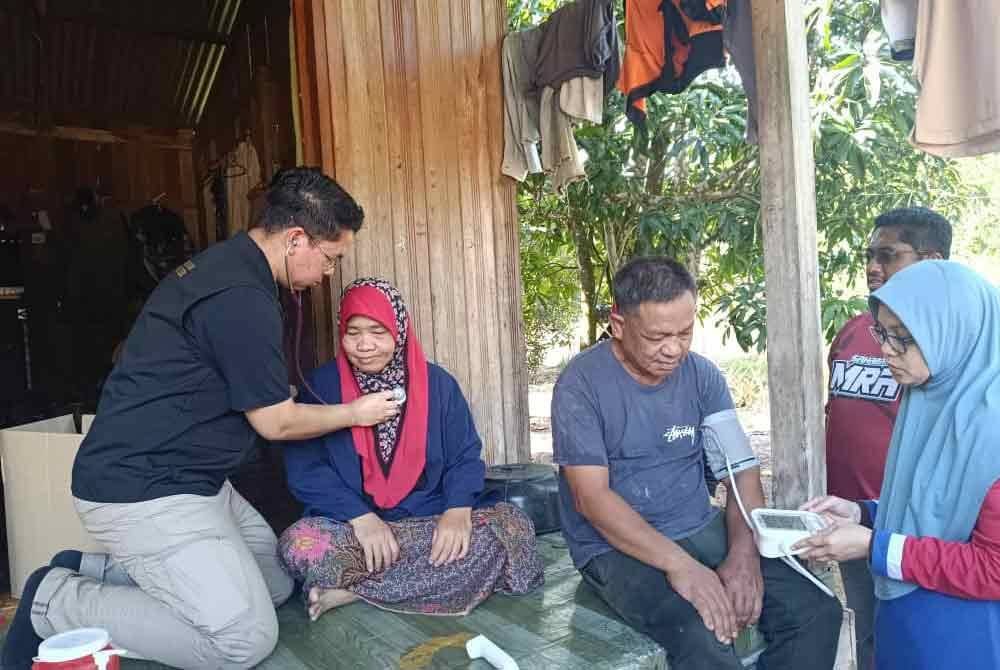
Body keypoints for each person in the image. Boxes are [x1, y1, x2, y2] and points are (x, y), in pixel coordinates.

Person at [2, 167, 405, 670]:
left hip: (199, 479)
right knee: (243, 638)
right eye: (330, 258)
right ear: (296, 238)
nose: (327, 273)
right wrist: (354, 413)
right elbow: (275, 425)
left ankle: (92, 570)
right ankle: (54, 599)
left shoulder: (234, 265)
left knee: (276, 584)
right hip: (144, 487)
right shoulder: (241, 296)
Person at [551, 256, 842, 670]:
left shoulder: (702, 377)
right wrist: (681, 566)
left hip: (697, 523)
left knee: (816, 611)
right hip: (611, 547)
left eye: (685, 332)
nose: (674, 349)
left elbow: (741, 470)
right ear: (618, 325)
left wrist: (744, 554)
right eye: (657, 336)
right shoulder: (581, 385)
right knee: (704, 634)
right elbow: (591, 498)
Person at [279, 278, 544, 619]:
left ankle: (353, 592)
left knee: (513, 527)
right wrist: (363, 519)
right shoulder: (320, 388)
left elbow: (464, 456)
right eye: (353, 331)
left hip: (429, 520)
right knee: (299, 544)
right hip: (352, 528)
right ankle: (415, 581)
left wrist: (457, 511)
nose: (364, 345)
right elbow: (306, 469)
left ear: (399, 330)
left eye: (378, 331)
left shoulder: (438, 385)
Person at [796, 260, 1000, 670]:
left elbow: (992, 568)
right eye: (883, 333)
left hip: (962, 639)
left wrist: (873, 546)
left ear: (954, 334)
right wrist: (863, 514)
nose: (886, 349)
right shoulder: (929, 400)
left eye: (903, 338)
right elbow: (929, 510)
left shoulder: (990, 431)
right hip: (906, 625)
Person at [824, 206, 952, 670]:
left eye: (888, 255)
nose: (872, 267)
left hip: (919, 530)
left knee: (917, 633)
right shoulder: (856, 330)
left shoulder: (950, 344)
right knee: (866, 629)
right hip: (855, 515)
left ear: (932, 261)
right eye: (869, 255)